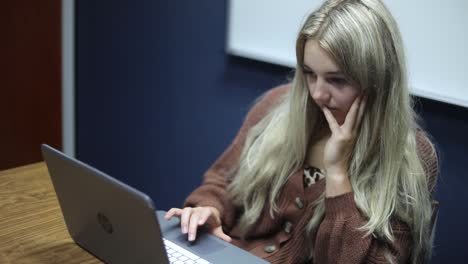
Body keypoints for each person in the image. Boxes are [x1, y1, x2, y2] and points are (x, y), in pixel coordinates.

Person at [165, 0, 438, 263]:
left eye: (336, 80)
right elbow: (223, 181)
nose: (318, 93)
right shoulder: (276, 106)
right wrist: (209, 208)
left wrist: (338, 173)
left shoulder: (411, 158)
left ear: (377, 80)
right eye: (309, 72)